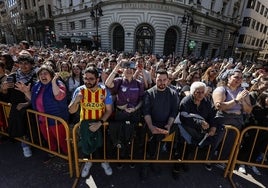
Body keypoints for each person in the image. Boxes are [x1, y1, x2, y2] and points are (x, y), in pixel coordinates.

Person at [15, 64, 69, 161]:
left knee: (62, 140)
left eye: (45, 73)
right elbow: (34, 100)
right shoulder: (37, 85)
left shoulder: (58, 83)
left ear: (51, 75)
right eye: (40, 74)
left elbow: (59, 96)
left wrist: (53, 82)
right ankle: (53, 152)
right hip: (42, 119)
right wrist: (26, 92)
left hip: (56, 120)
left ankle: (68, 156)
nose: (43, 76)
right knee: (49, 138)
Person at [68, 66, 113, 178]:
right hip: (85, 124)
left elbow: (109, 110)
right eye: (86, 78)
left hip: (100, 123)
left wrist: (100, 123)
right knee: (86, 145)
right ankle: (88, 162)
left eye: (91, 79)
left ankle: (104, 162)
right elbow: (71, 110)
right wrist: (76, 102)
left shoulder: (104, 91)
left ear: (97, 79)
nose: (88, 81)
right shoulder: (79, 91)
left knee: (101, 146)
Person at [105, 60, 144, 168]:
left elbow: (141, 100)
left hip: (134, 114)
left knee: (133, 137)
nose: (129, 71)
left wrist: (135, 108)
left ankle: (131, 157)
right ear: (123, 71)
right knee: (120, 136)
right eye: (127, 69)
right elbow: (107, 84)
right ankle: (120, 158)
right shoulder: (119, 81)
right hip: (121, 114)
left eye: (131, 69)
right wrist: (117, 66)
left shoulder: (139, 83)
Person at [141, 69, 179, 181]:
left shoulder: (173, 93)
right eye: (159, 80)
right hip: (151, 123)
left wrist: (169, 124)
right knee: (151, 140)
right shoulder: (148, 93)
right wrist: (151, 126)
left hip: (166, 124)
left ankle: (152, 162)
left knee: (159, 138)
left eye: (164, 80)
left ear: (168, 80)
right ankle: (147, 164)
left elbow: (173, 111)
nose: (162, 82)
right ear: (155, 79)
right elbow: (146, 112)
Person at [1, 50, 37, 157]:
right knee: (20, 125)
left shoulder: (36, 76)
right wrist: (4, 89)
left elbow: (38, 95)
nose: (24, 66)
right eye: (21, 63)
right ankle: (25, 145)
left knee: (33, 128)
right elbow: (6, 97)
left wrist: (26, 103)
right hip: (17, 107)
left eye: (26, 63)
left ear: (31, 64)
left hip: (31, 106)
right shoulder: (13, 76)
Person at [212, 68, 252, 165]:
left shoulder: (243, 91)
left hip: (237, 120)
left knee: (230, 143)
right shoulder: (221, 89)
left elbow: (249, 110)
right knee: (216, 141)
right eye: (236, 77)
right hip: (223, 119)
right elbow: (220, 106)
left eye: (241, 78)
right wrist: (236, 100)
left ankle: (221, 160)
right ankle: (209, 159)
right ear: (229, 78)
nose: (239, 80)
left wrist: (243, 102)